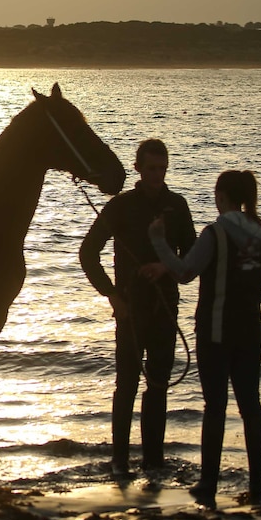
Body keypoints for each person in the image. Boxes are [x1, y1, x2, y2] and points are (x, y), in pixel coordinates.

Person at [149, 170, 261, 509]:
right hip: (250, 333)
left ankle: (208, 483)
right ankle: (257, 485)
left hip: (215, 333)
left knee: (216, 407)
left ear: (221, 197)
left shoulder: (215, 233)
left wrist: (159, 241)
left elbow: (183, 273)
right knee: (251, 406)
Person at [80, 138, 196, 476]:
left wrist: (166, 267)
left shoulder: (178, 205)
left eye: (162, 169)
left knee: (158, 385)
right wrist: (112, 296)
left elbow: (190, 259)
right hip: (129, 310)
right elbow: (88, 253)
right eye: (151, 169)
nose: (157, 175)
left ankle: (154, 461)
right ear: (138, 169)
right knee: (126, 384)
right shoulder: (120, 206)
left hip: (165, 309)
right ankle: (119, 461)